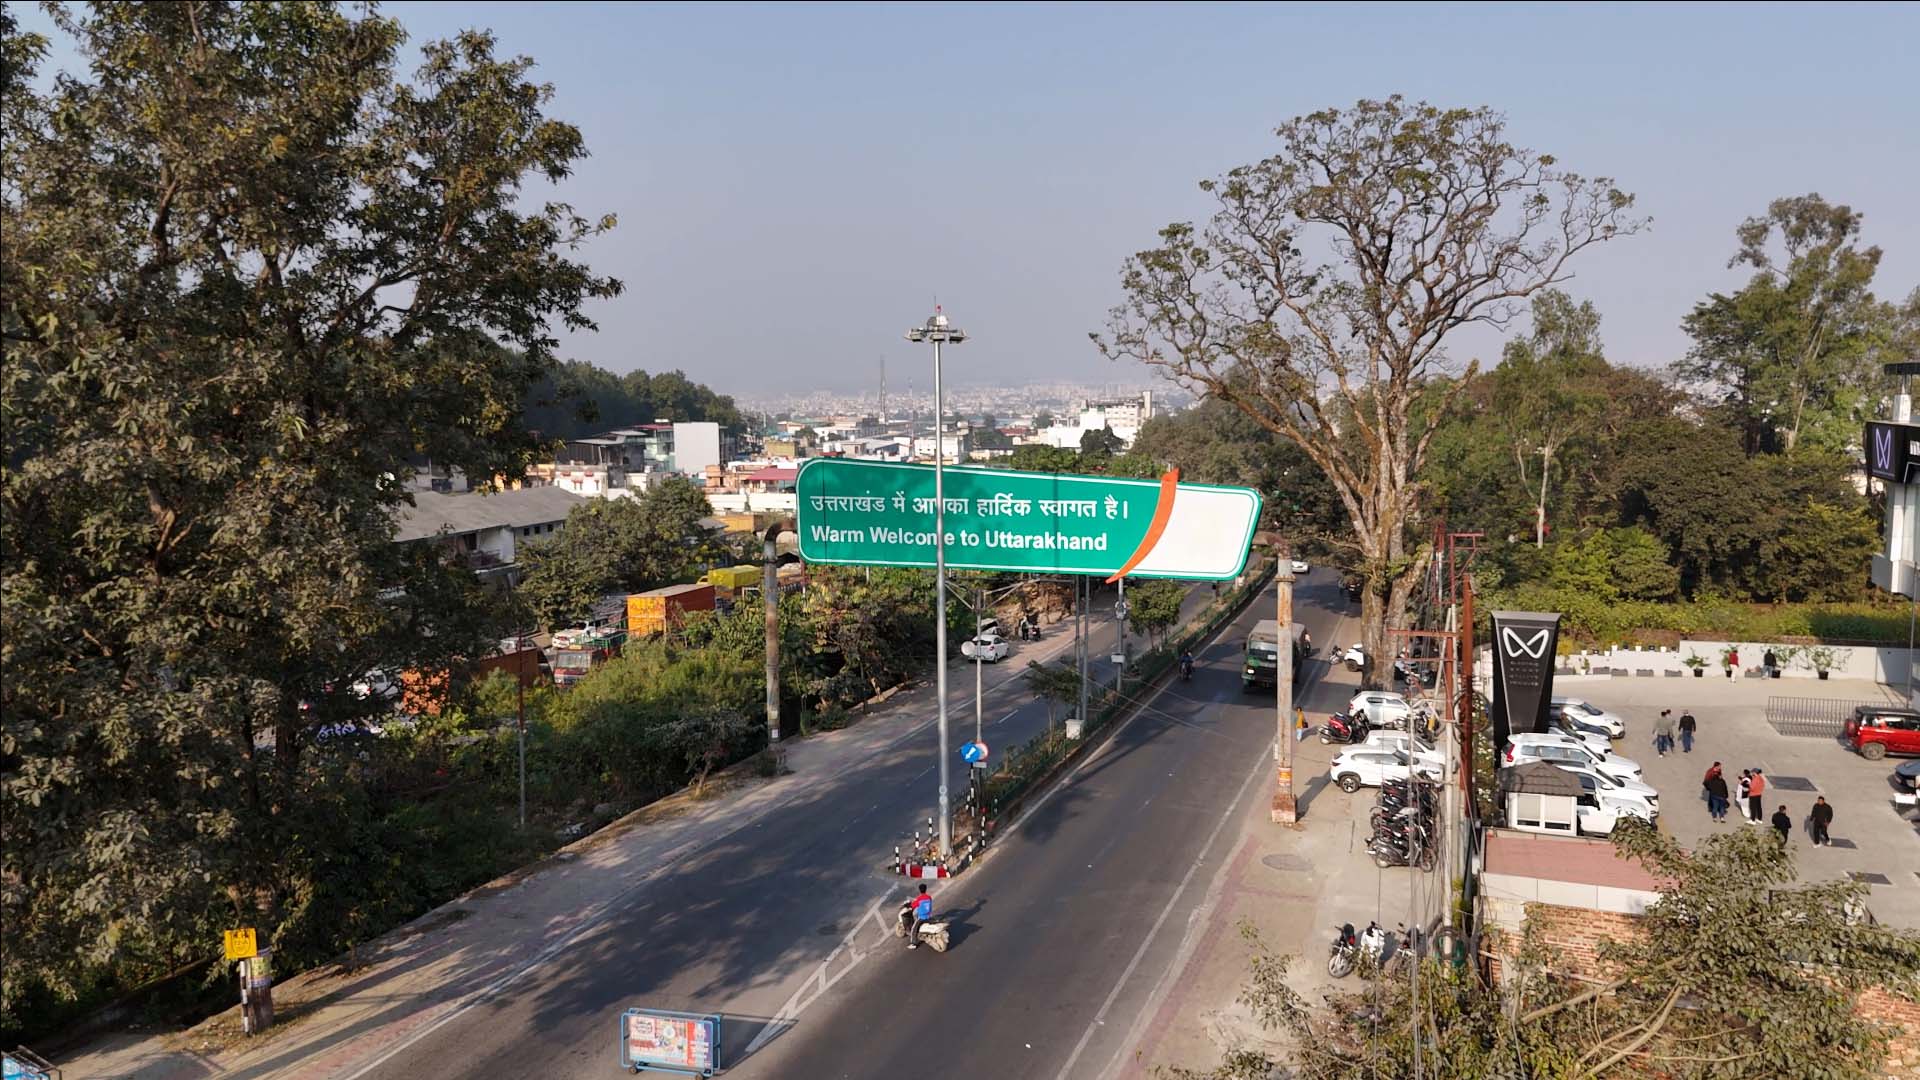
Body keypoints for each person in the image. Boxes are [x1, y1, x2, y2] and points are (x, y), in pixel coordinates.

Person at [903, 883, 934, 949]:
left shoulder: (919, 899)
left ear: (920, 890)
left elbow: (912, 906)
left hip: (921, 918)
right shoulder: (929, 897)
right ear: (926, 889)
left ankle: (913, 943)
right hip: (929, 916)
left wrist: (908, 906)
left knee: (913, 929)